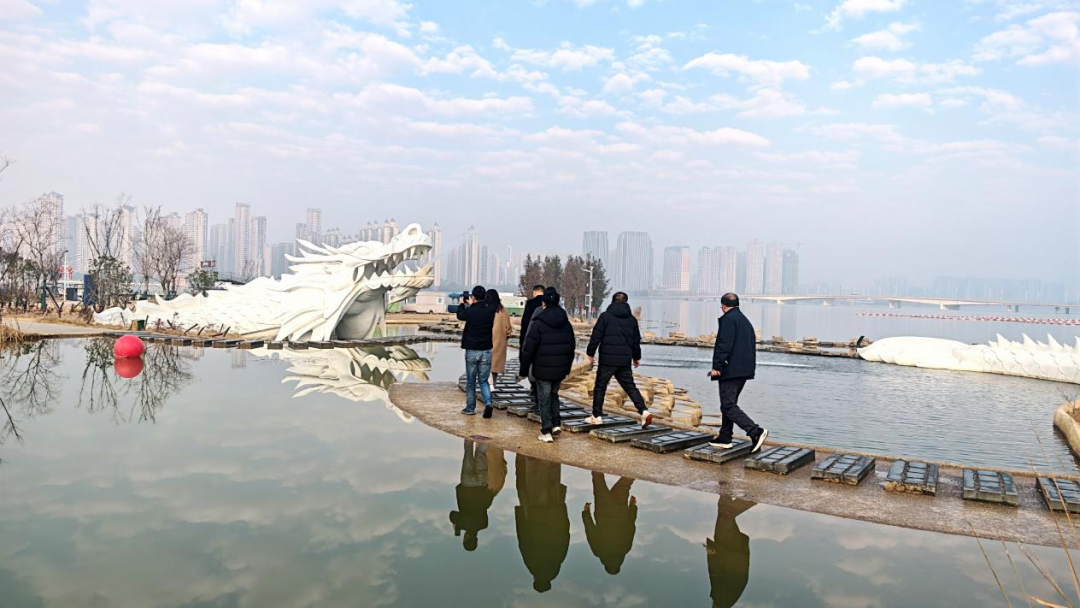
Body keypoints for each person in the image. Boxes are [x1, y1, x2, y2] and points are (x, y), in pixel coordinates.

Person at [709, 293, 769, 452]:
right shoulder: (744, 320)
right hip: (743, 369)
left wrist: (717, 366)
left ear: (723, 305)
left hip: (731, 369)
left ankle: (755, 431)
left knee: (728, 405)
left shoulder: (728, 319)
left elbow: (724, 345)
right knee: (729, 403)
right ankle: (725, 436)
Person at [585, 292, 652, 428]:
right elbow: (635, 341)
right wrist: (636, 357)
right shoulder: (632, 320)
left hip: (607, 360)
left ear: (612, 301)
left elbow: (596, 336)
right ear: (626, 302)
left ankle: (596, 416)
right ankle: (644, 411)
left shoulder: (605, 317)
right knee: (630, 387)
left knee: (600, 387)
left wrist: (590, 353)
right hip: (624, 361)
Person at [518, 289, 575, 443]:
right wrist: (567, 367)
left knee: (544, 399)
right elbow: (571, 347)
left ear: (543, 304)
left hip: (542, 368)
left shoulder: (538, 323)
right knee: (554, 395)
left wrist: (523, 370)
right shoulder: (566, 323)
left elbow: (528, 349)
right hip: (560, 368)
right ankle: (556, 423)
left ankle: (546, 431)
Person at [515, 454, 570, 593]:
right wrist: (521, 516)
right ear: (536, 580)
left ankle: (552, 457)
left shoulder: (558, 560)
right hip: (536, 517)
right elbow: (524, 538)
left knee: (553, 483)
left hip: (556, 516)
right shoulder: (533, 563)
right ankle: (536, 455)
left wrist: (564, 517)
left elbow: (565, 538)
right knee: (537, 482)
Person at [448, 439, 502, 551]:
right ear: (465, 539)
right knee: (468, 451)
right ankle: (469, 427)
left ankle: (490, 434)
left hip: (481, 484)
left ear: (476, 540)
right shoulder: (462, 524)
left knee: (480, 453)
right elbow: (452, 515)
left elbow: (484, 507)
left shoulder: (483, 524)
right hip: (467, 485)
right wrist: (456, 528)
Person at [582, 472, 638, 575]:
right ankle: (596, 457)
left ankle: (639, 461)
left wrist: (633, 507)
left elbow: (631, 527)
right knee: (598, 481)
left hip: (620, 511)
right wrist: (586, 513)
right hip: (603, 511)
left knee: (626, 481)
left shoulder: (625, 548)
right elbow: (590, 531)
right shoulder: (598, 551)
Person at [706, 496, 754, 608]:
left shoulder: (729, 599)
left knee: (723, 512)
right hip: (728, 550)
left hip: (736, 553)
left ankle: (725, 486)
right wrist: (711, 551)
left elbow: (742, 579)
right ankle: (753, 496)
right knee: (725, 517)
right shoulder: (720, 599)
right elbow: (715, 572)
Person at [456, 285, 496, 416]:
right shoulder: (490, 310)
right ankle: (488, 403)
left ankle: (470, 408)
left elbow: (460, 315)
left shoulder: (470, 311)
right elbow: (485, 308)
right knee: (483, 380)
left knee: (471, 381)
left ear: (473, 297)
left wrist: (463, 304)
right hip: (486, 350)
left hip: (472, 350)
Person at [519, 284, 545, 409]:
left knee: (532, 368)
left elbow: (525, 324)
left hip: (532, 340)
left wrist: (522, 343)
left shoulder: (530, 304)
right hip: (546, 343)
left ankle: (535, 393)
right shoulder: (552, 306)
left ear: (535, 292)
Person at [487, 289, 513, 392]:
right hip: (500, 342)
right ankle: (494, 384)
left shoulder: (487, 309)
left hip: (487, 340)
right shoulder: (503, 311)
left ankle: (489, 385)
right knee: (495, 366)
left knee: (486, 364)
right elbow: (508, 328)